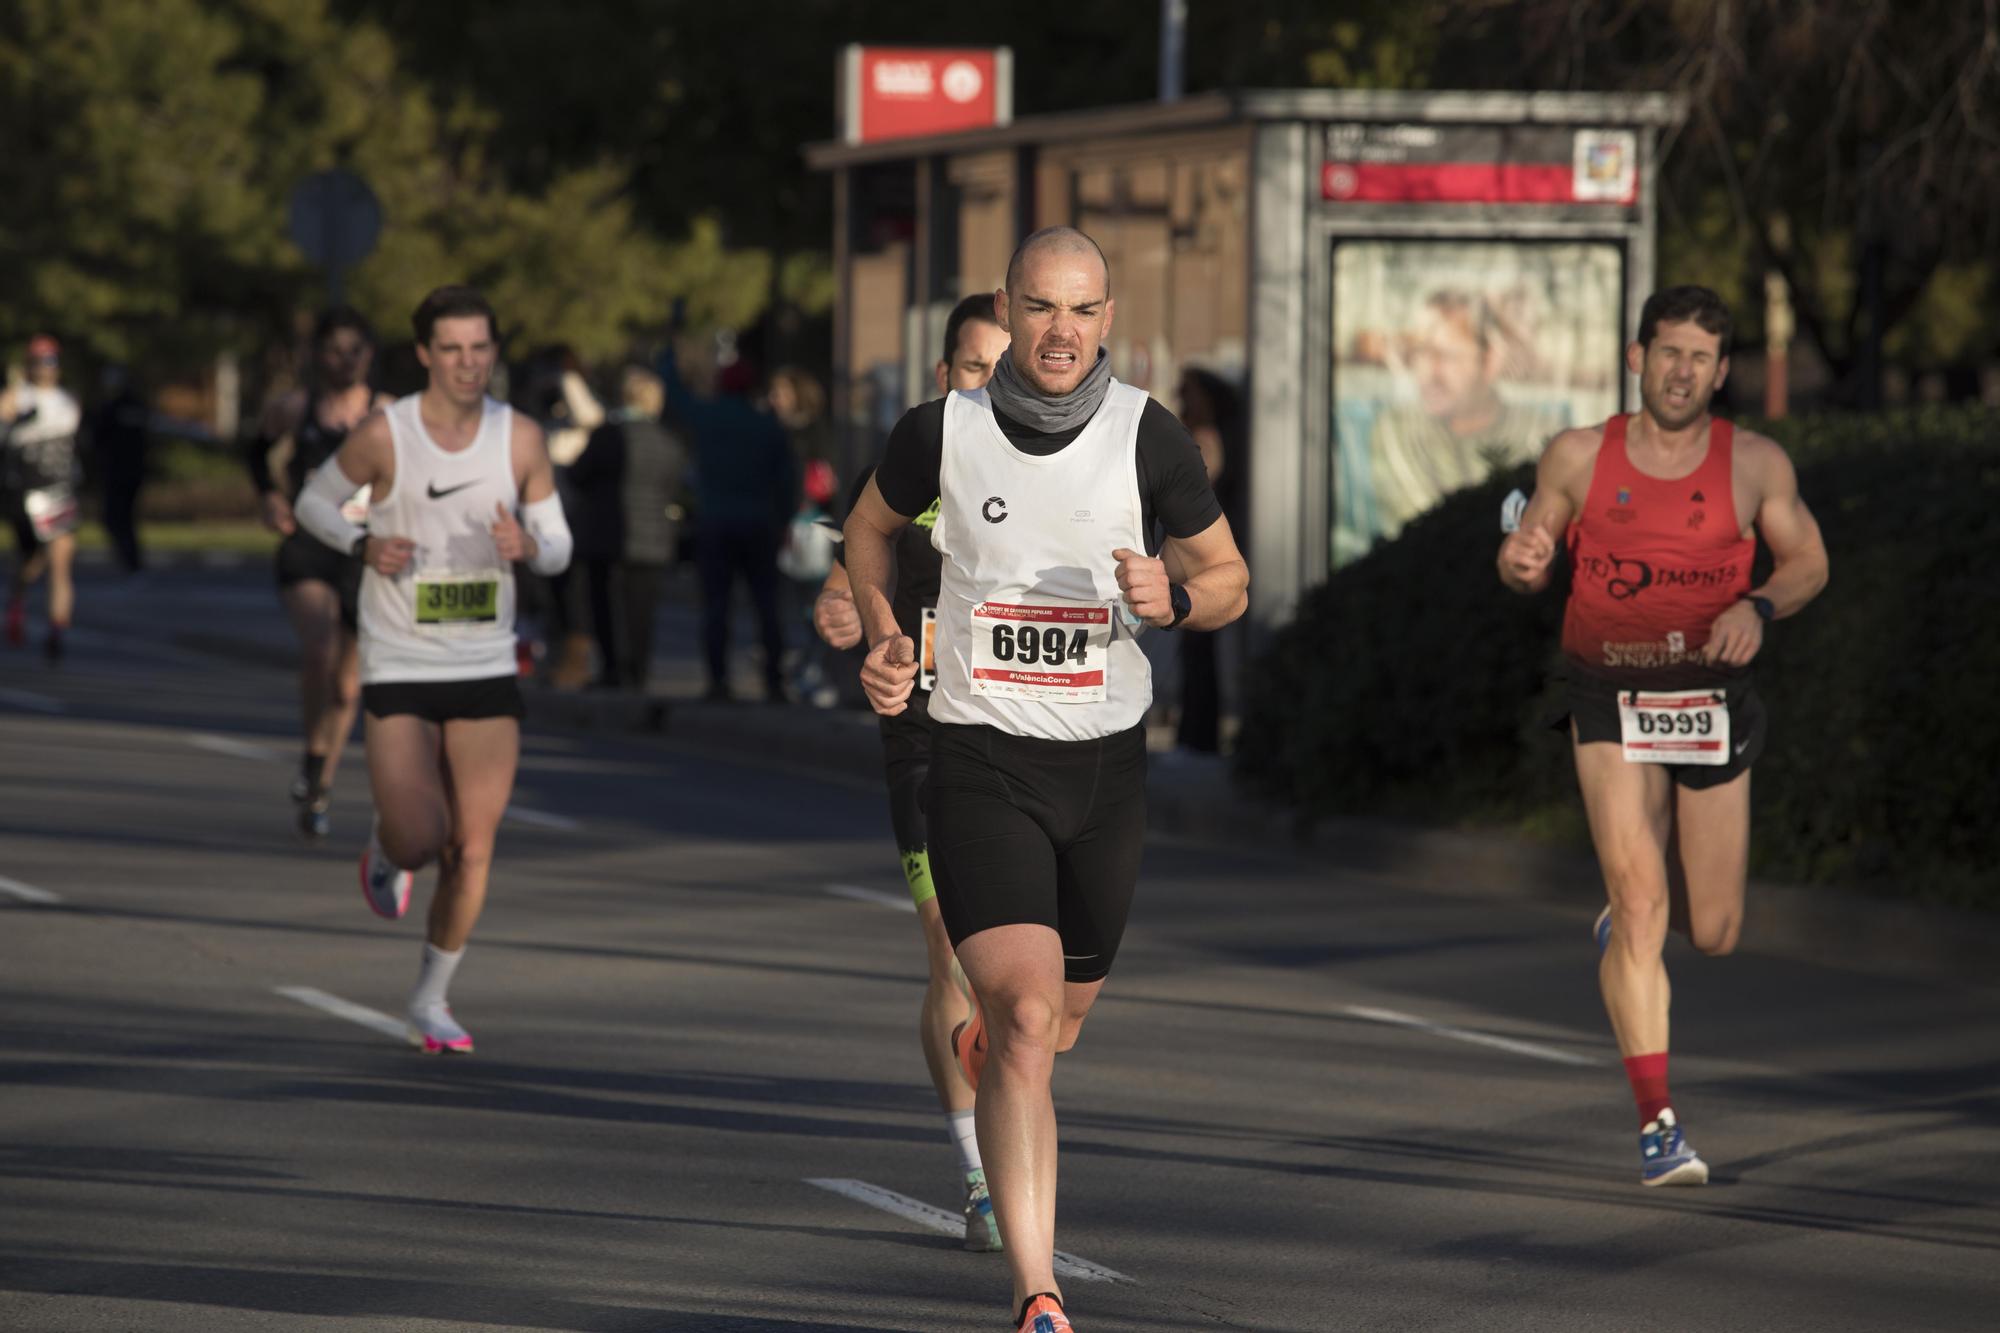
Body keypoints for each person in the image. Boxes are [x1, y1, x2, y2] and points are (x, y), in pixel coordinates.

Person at [845, 230, 1248, 1333]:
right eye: (1038, 308)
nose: (1060, 330)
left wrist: (1173, 594)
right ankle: (1038, 1292)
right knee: (1022, 1019)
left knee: (1059, 1023)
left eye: (1080, 310)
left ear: (1106, 317)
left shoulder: (1145, 436)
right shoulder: (943, 431)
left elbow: (1231, 580)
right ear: (1006, 311)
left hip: (1105, 772)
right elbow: (866, 532)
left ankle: (991, 1052)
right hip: (978, 760)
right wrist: (886, 636)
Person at [1497, 285, 1828, 1186]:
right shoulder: (1578, 454)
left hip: (1711, 695)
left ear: (1722, 373)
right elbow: (1529, 546)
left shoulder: (1754, 463)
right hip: (1605, 690)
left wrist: (1759, 604)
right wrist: (1523, 560)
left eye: (1701, 358)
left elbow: (1808, 561)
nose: (1681, 371)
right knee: (1645, 904)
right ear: (1637, 356)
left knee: (1713, 928)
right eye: (1667, 351)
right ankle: (1658, 1123)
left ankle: (1628, 916)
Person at [294, 284, 572, 1054]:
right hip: (401, 659)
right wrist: (361, 545)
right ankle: (388, 851)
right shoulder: (388, 433)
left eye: (480, 346)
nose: (467, 362)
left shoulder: (518, 437)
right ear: (423, 354)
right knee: (422, 834)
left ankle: (431, 995)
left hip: (484, 659)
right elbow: (315, 503)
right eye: (451, 348)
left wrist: (529, 548)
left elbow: (559, 544)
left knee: (472, 846)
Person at [814, 292, 1012, 1251]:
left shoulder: (1059, 469)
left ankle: (1005, 1087)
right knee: (953, 955)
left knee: (1027, 990)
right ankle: (977, 1169)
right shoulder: (907, 460)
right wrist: (844, 608)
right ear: (945, 377)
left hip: (1029, 737)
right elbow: (851, 564)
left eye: (1005, 369)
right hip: (925, 733)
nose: (991, 385)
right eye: (976, 367)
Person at [247, 308, 389, 839]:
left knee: (349, 688)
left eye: (355, 350)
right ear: (317, 355)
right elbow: (256, 452)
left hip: (362, 550)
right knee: (320, 648)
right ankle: (312, 748)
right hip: (308, 544)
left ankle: (320, 781)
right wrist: (269, 496)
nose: (344, 361)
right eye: (334, 350)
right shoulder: (296, 408)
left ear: (369, 356)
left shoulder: (387, 414)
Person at [660, 338, 795, 702]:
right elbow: (787, 482)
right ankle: (774, 680)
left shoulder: (708, 418)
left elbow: (674, 393)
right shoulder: (768, 427)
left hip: (715, 522)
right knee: (766, 605)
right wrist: (784, 521)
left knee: (717, 605)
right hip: (759, 523)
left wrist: (668, 352)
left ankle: (718, 680)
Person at [1370, 289, 1563, 540]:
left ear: (1491, 359)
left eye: (1447, 356)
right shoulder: (1396, 432)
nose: (1429, 373)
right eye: (1421, 352)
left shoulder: (1542, 433)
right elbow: (1424, 536)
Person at [569, 365, 686, 689]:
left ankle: (610, 669)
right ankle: (638, 672)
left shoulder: (606, 435)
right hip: (652, 537)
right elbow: (675, 486)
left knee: (604, 605)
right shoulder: (667, 441)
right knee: (642, 610)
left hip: (604, 533)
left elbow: (578, 475)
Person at [1172, 367, 1246, 754]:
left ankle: (1198, 735)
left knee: (1199, 650)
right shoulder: (1202, 437)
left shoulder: (1204, 440)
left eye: (1187, 394)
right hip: (1194, 560)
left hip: (1200, 562)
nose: (1181, 401)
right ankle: (1196, 733)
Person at [2, 335, 84, 662]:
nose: (46, 368)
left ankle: (56, 630)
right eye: (39, 361)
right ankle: (17, 605)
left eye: (51, 361)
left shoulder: (68, 401)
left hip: (59, 492)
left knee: (61, 560)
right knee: (31, 563)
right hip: (26, 493)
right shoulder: (17, 397)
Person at [87, 365, 151, 575]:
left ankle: (131, 561)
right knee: (118, 518)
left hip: (122, 471)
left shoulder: (118, 407)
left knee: (118, 517)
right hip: (122, 471)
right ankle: (128, 559)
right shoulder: (120, 406)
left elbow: (97, 438)